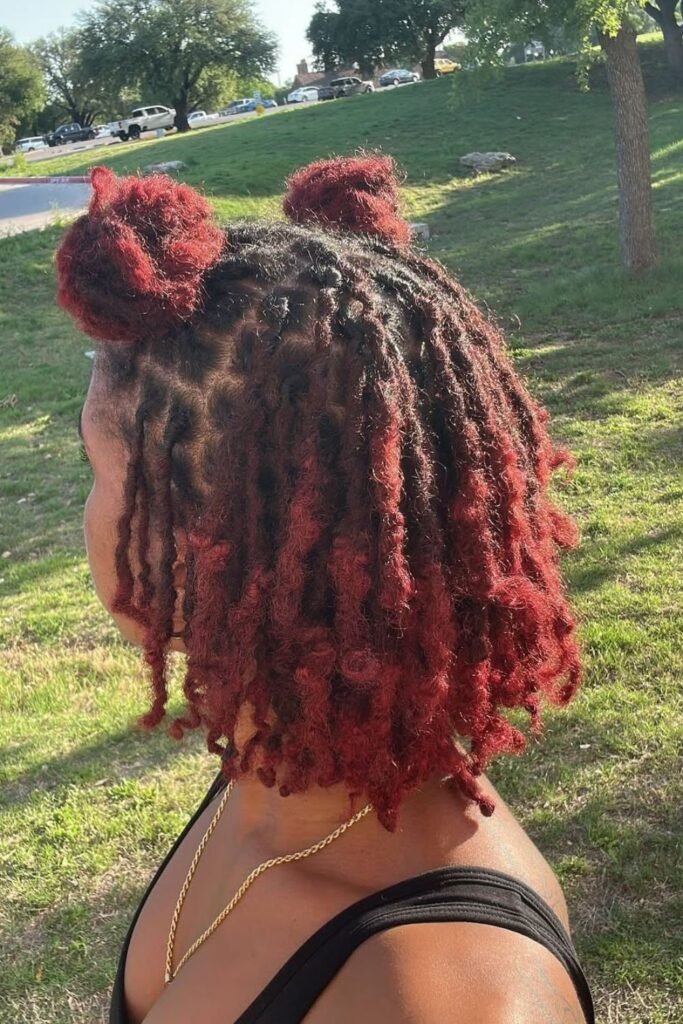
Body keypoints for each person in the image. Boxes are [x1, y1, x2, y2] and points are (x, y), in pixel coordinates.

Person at [56, 155, 595, 1024]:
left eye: (98, 469)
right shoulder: (275, 771)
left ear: (201, 545)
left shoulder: (441, 997)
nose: (85, 514)